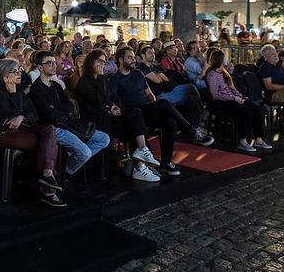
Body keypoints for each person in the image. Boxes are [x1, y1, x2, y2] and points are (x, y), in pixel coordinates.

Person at [110, 47, 211, 176]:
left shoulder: (138, 73)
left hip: (147, 109)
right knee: (163, 103)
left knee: (170, 122)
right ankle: (191, 131)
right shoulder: (115, 79)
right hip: (133, 114)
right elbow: (115, 101)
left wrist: (153, 106)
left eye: (134, 57)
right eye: (129, 57)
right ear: (120, 59)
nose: (133, 60)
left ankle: (166, 163)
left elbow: (150, 94)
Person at [0, 58, 65, 207]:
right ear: (5, 75)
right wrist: (13, 94)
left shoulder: (18, 88)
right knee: (48, 143)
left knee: (49, 130)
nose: (19, 74)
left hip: (25, 129)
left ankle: (48, 173)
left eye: (20, 70)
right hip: (4, 134)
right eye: (15, 71)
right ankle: (49, 191)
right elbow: (11, 115)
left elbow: (33, 113)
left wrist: (22, 116)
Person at [74, 50, 160, 182]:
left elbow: (114, 96)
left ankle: (142, 151)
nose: (102, 64)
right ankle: (140, 166)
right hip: (97, 119)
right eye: (99, 61)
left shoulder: (104, 79)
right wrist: (109, 107)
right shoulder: (84, 81)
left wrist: (116, 106)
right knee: (132, 127)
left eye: (104, 61)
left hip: (111, 116)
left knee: (135, 114)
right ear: (91, 62)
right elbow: (97, 100)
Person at [28, 51, 110, 176]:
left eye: (55, 62)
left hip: (67, 124)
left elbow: (69, 106)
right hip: (53, 128)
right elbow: (48, 114)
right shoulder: (36, 88)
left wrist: (56, 108)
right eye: (49, 63)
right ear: (40, 67)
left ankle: (64, 167)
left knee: (104, 139)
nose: (54, 65)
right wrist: (59, 109)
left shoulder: (55, 85)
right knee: (85, 153)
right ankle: (62, 171)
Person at [141, 44, 211, 141]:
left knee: (192, 96)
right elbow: (158, 80)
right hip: (160, 96)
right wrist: (159, 76)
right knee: (191, 87)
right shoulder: (142, 67)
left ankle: (196, 125)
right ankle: (200, 121)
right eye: (149, 53)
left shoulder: (153, 67)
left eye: (153, 53)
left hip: (168, 91)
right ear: (143, 56)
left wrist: (159, 76)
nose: (153, 54)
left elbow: (165, 79)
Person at [205, 50, 271, 152]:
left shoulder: (224, 72)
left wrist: (240, 96)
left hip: (233, 99)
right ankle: (243, 141)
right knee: (246, 112)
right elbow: (216, 94)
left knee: (258, 109)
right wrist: (234, 98)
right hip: (221, 102)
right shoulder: (212, 74)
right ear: (220, 60)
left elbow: (232, 88)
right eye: (224, 58)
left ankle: (259, 138)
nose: (226, 60)